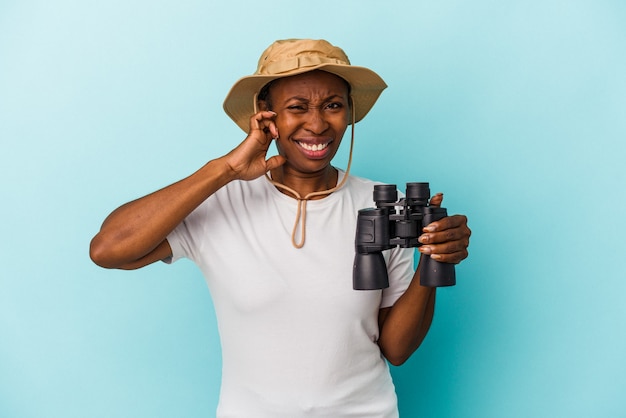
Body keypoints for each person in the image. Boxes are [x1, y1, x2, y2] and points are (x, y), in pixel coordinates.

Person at [90, 38, 471, 417]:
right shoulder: (223, 203)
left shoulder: (384, 206)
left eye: (333, 106)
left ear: (349, 112)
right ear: (266, 116)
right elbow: (108, 249)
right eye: (297, 107)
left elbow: (397, 349)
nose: (318, 124)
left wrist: (433, 259)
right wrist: (225, 170)